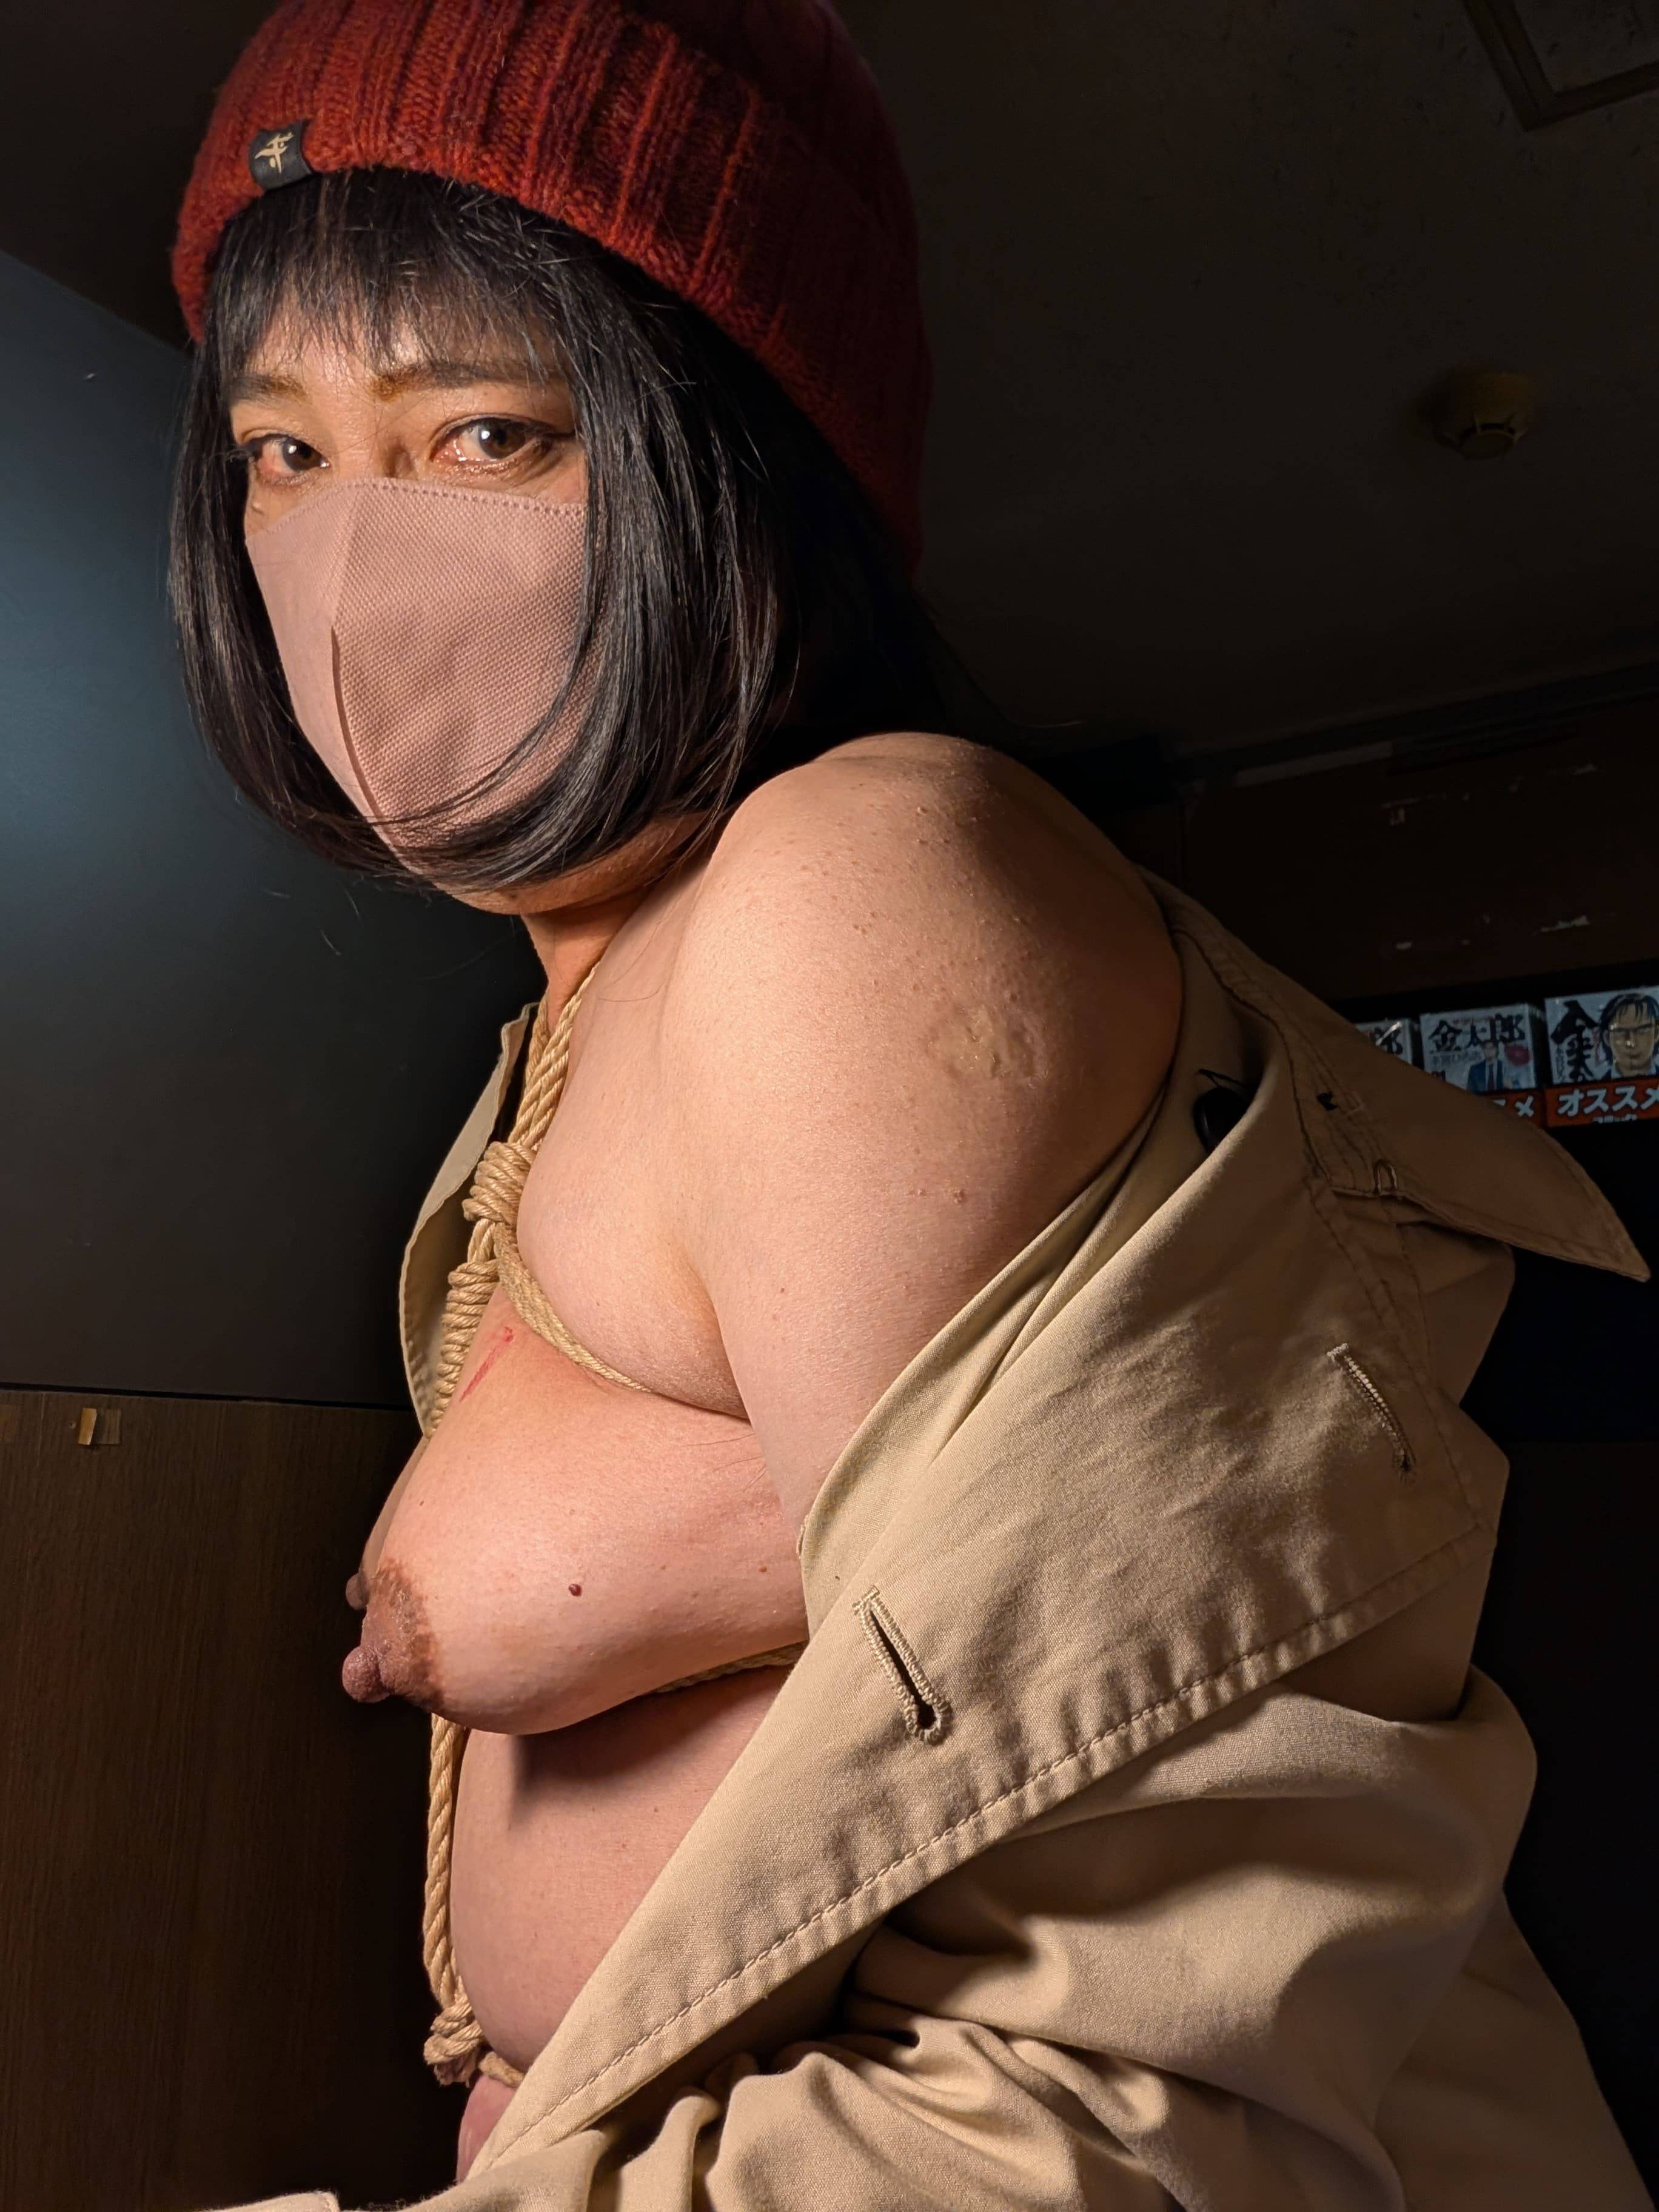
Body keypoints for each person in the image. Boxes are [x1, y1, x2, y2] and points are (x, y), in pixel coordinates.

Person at [166, 4, 1652, 2207]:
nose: (357, 559)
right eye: (285, 451)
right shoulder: (572, 1019)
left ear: (733, 460)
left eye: (486, 432)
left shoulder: (848, 898)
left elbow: (1135, 2099)